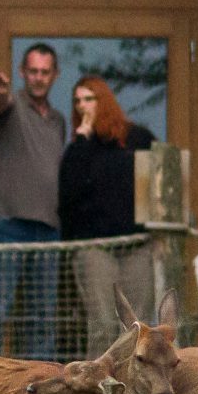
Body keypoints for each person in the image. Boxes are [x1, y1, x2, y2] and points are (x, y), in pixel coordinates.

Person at [59, 75, 158, 359]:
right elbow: (67, 197)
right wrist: (81, 141)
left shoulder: (138, 137)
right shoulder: (78, 148)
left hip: (138, 245)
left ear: (104, 100)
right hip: (95, 247)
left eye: (89, 99)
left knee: (136, 326)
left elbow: (159, 182)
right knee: (102, 323)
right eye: (77, 101)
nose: (82, 106)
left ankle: (133, 392)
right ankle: (97, 391)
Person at [0, 44, 64, 358]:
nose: (39, 78)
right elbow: (0, 103)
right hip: (8, 223)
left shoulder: (57, 120)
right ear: (22, 73)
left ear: (55, 75)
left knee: (43, 317)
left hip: (48, 228)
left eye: (45, 72)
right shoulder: (12, 107)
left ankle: (40, 383)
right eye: (33, 71)